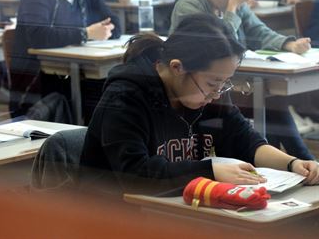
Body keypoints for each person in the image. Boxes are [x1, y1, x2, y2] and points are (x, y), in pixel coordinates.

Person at [81, 14, 319, 195]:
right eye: (214, 83)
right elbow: (135, 174)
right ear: (177, 67)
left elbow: (243, 138)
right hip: (112, 215)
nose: (217, 94)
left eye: (224, 83)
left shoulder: (205, 91)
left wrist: (292, 164)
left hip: (175, 208)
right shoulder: (125, 96)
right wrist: (210, 171)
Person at [171, 0, 314, 160]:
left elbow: (259, 30)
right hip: (202, 89)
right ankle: (302, 159)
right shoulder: (188, 7)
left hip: (230, 84)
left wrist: (289, 44)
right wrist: (232, 8)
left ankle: (300, 160)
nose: (242, 4)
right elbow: (217, 49)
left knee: (274, 103)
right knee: (271, 105)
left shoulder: (237, 4)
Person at [9, 0, 121, 121]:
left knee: (112, 96)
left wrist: (99, 31)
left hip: (75, 75)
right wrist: (86, 34)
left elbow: (114, 23)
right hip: (40, 80)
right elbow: (38, 35)